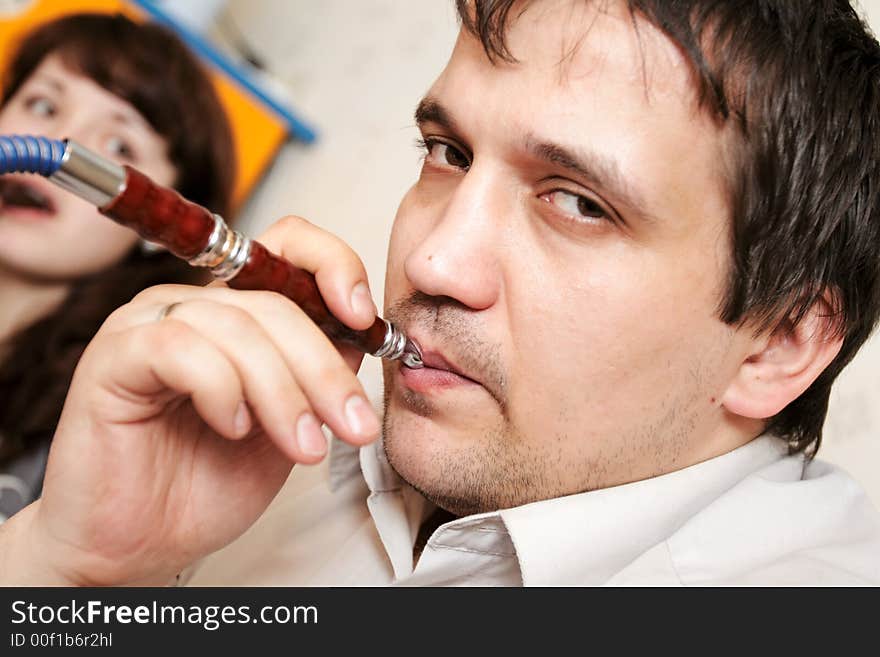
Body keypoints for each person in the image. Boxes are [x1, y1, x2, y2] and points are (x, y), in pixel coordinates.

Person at [1, 0, 879, 586]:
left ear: (780, 342)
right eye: (447, 153)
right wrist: (67, 565)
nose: (433, 262)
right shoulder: (292, 448)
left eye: (578, 202)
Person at [0, 13, 235, 522]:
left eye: (118, 146)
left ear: (161, 229)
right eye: (42, 105)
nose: (61, 145)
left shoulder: (116, 419)